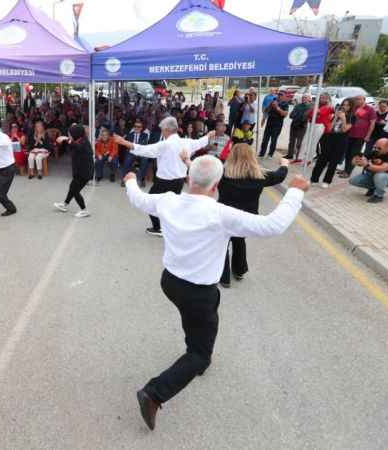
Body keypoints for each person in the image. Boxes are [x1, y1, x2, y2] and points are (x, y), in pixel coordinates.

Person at [124, 156, 308, 431]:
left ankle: (194, 353)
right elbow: (272, 225)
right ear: (216, 184)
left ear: (187, 179)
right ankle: (155, 392)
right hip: (197, 291)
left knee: (199, 318)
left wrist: (129, 181)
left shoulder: (167, 200)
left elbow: (138, 198)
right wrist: (294, 191)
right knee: (201, 352)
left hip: (171, 282)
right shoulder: (220, 214)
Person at [114, 116, 215, 236]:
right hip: (178, 181)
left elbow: (144, 149)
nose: (162, 131)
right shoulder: (186, 142)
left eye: (162, 129)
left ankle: (158, 228)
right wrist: (208, 136)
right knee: (172, 205)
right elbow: (200, 142)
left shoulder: (166, 144)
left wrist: (123, 142)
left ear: (167, 130)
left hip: (164, 182)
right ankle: (168, 226)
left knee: (150, 203)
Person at [218, 149, 289, 287]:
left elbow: (202, 169)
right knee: (239, 241)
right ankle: (239, 271)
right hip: (247, 218)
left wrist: (186, 161)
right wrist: (284, 164)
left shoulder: (222, 173)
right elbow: (279, 176)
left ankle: (224, 277)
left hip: (225, 216)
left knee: (223, 244)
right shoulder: (260, 176)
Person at [311, 99, 353, 188]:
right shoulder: (337, 114)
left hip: (341, 141)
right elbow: (330, 128)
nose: (345, 107)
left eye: (347, 105)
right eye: (344, 105)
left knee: (333, 162)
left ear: (351, 107)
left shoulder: (352, 117)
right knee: (322, 159)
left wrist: (343, 118)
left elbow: (345, 129)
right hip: (330, 138)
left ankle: (327, 181)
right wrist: (336, 117)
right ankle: (314, 179)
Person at [54, 124, 93, 218]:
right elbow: (71, 147)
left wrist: (66, 139)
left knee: (75, 190)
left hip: (85, 173)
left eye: (70, 134)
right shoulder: (77, 140)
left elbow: (77, 147)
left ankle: (84, 210)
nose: (69, 135)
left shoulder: (84, 143)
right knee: (72, 188)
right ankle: (65, 204)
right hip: (78, 171)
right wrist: (65, 141)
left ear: (76, 134)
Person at [349, 138, 388, 203]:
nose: (376, 149)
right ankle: (373, 188)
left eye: (379, 148)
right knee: (353, 181)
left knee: (379, 175)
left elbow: (383, 168)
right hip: (373, 175)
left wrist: (367, 165)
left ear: (387, 148)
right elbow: (359, 160)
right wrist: (356, 160)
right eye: (375, 147)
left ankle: (379, 195)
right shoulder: (374, 151)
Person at [342, 95, 377, 177]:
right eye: (356, 99)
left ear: (364, 100)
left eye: (359, 99)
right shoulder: (354, 108)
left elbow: (372, 124)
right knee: (347, 153)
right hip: (349, 134)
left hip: (360, 136)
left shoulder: (370, 109)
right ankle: (345, 169)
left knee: (354, 154)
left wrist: (368, 136)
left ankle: (348, 172)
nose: (357, 101)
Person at [118, 119, 152, 187]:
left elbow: (144, 145)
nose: (137, 128)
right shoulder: (130, 135)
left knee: (145, 160)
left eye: (139, 127)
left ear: (141, 128)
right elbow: (126, 145)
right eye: (135, 126)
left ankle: (141, 179)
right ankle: (124, 179)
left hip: (140, 153)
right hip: (131, 152)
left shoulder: (145, 135)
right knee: (127, 159)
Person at [259, 91, 289, 158]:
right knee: (265, 139)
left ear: (284, 96)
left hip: (277, 124)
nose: (279, 96)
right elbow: (265, 111)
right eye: (278, 95)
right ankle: (262, 153)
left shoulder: (285, 104)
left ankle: (270, 154)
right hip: (269, 122)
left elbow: (284, 114)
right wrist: (269, 105)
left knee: (273, 140)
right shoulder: (273, 101)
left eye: (281, 95)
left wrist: (277, 107)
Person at [287, 94, 312, 161]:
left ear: (309, 99)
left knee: (299, 143)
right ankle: (290, 155)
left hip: (302, 126)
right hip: (294, 125)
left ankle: (298, 157)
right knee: (291, 141)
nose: (304, 99)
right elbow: (291, 115)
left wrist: (297, 115)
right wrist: (298, 115)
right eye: (303, 97)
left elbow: (304, 117)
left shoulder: (309, 107)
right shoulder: (298, 105)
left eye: (305, 98)